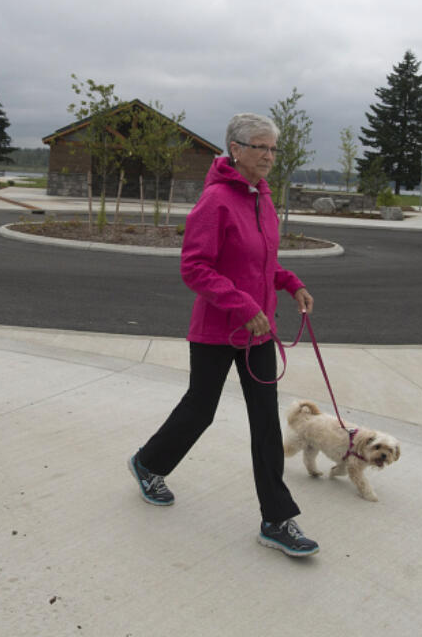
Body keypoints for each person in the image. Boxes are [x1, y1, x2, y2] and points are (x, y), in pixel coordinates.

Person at [128, 112, 318, 557]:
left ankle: (277, 519)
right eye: (260, 147)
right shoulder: (214, 200)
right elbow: (194, 268)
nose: (269, 156)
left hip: (258, 332)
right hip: (217, 330)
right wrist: (243, 305)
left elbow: (263, 263)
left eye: (273, 148)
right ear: (235, 149)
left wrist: (291, 283)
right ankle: (148, 463)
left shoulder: (262, 198)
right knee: (200, 411)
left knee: (266, 423)